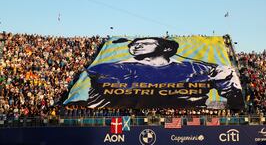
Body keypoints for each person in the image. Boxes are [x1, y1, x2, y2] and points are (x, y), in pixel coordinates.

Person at [86, 37, 243, 109]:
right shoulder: (110, 68)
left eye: (144, 43)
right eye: (133, 45)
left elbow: (226, 80)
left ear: (167, 48)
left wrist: (232, 93)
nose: (135, 46)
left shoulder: (196, 68)